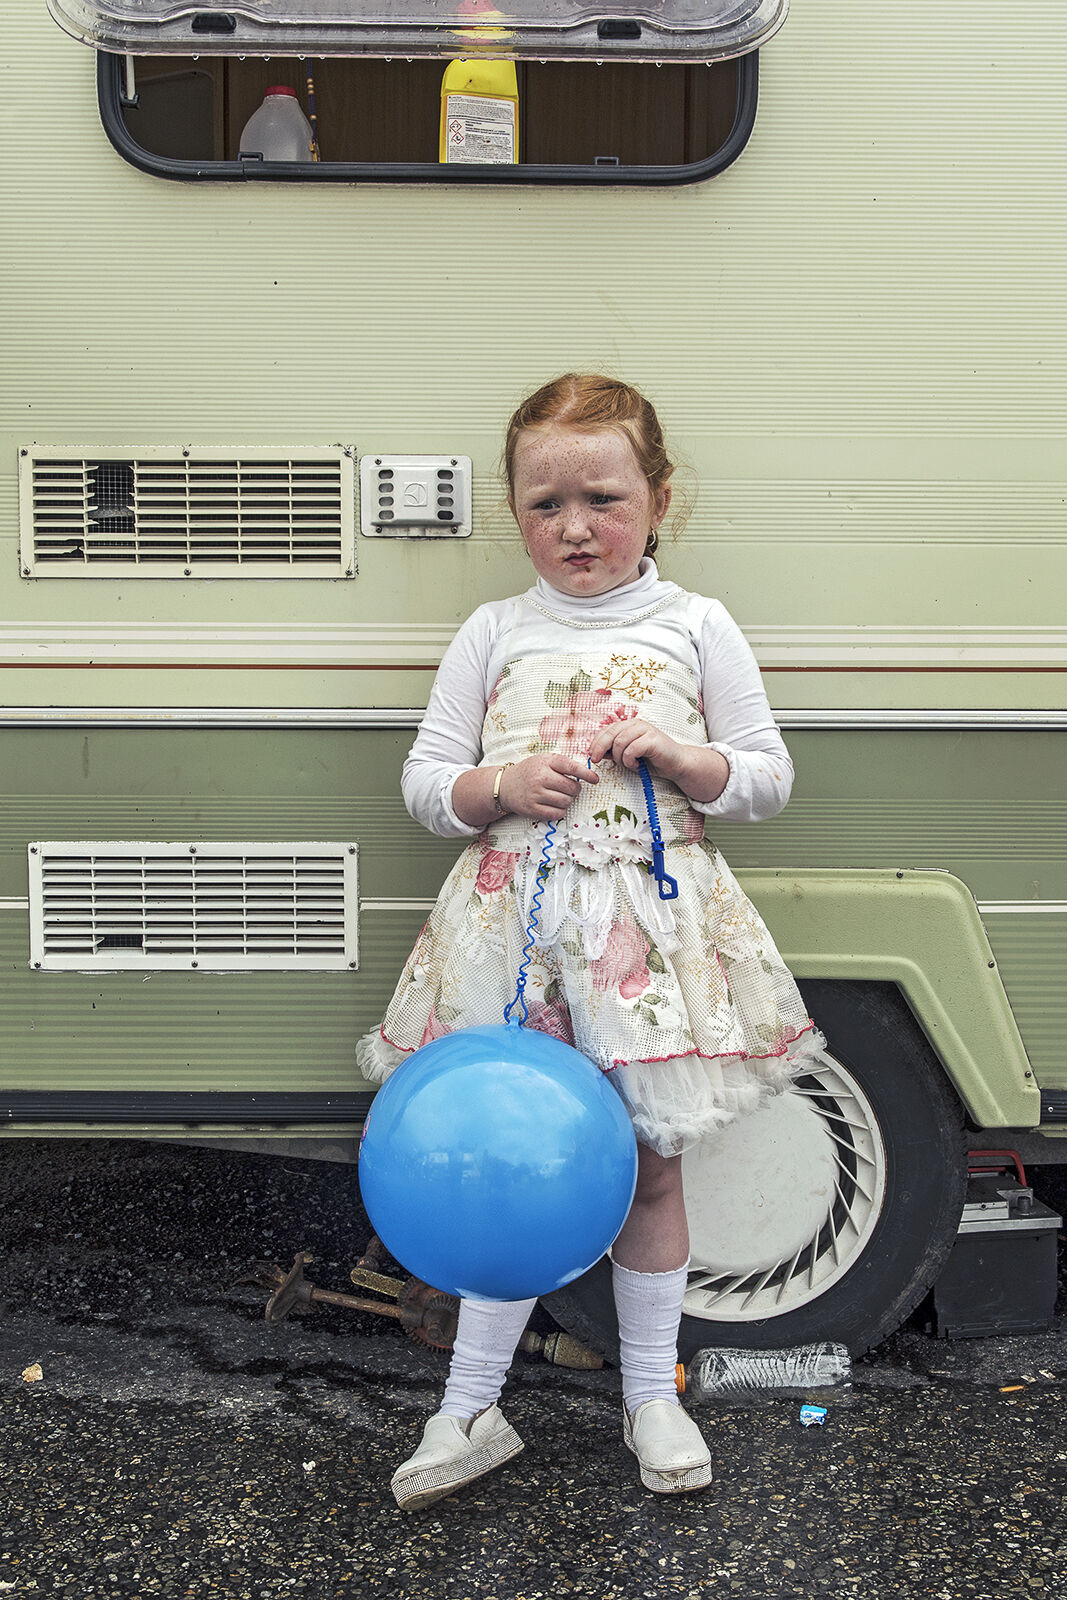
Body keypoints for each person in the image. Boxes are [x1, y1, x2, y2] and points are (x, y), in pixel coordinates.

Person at [357, 373, 822, 1510]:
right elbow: (424, 782)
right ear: (515, 514)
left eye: (603, 498)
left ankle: (649, 1392)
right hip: (512, 927)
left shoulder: (693, 625)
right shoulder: (494, 631)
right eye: (543, 504)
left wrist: (676, 752)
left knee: (648, 1166)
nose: (574, 526)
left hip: (646, 940)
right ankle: (466, 1405)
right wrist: (502, 781)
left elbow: (763, 777)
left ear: (658, 501)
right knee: (506, 1161)